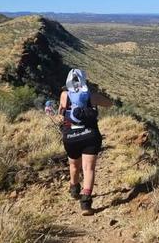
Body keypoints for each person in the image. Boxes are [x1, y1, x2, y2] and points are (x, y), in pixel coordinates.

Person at [58, 68, 113, 215]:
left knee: (74, 165)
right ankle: (85, 203)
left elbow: (60, 112)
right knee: (88, 169)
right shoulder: (92, 96)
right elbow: (110, 103)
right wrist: (95, 96)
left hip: (70, 136)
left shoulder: (64, 95)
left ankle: (74, 188)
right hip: (90, 134)